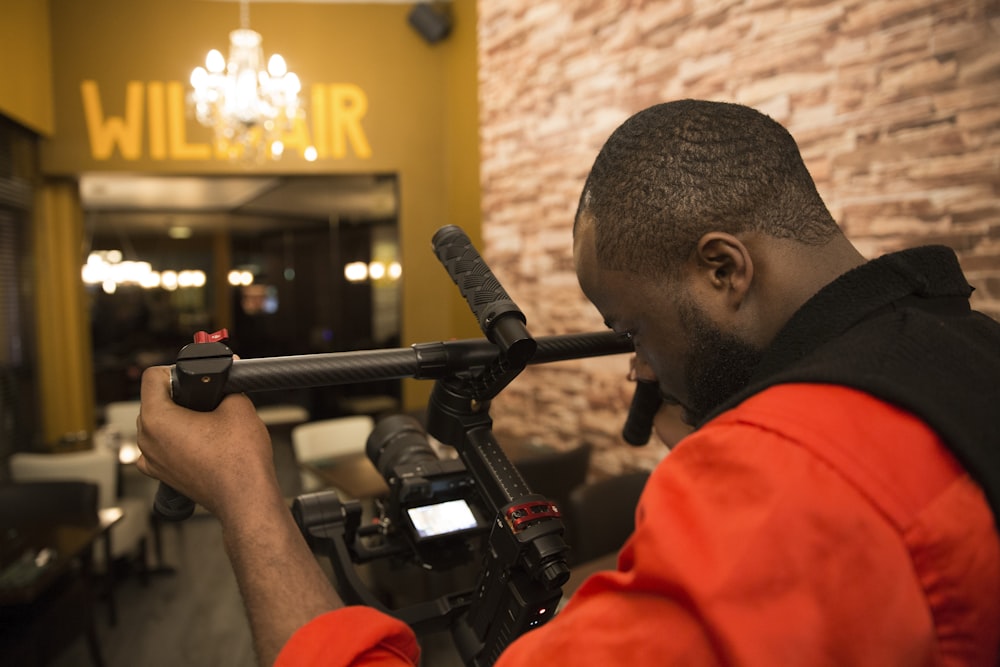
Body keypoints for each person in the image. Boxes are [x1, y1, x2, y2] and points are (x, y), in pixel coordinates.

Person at [136, 99, 1000, 665]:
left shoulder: (785, 484)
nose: (636, 365)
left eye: (634, 329)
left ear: (724, 270)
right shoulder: (959, 346)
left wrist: (245, 492)